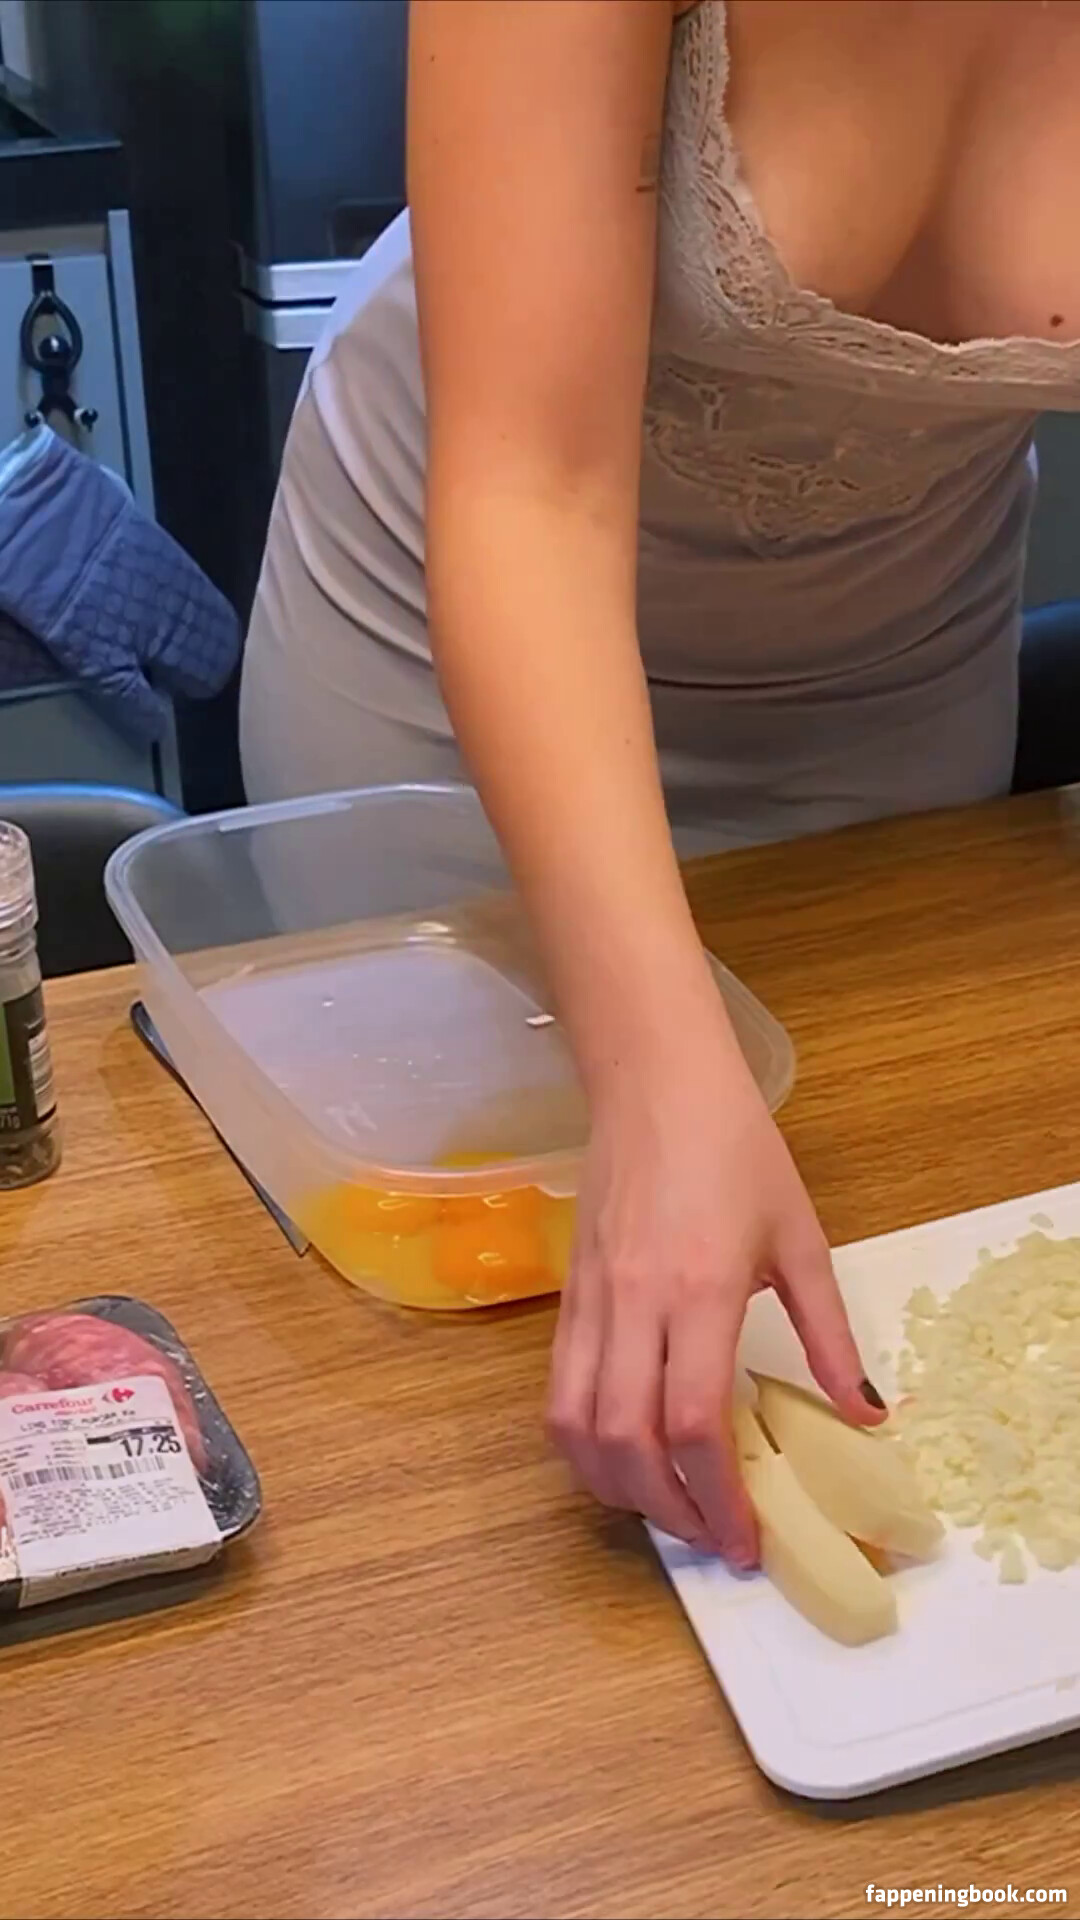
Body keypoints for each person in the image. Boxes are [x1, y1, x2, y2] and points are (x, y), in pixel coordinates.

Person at [240, 0, 1080, 1567]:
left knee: (889, 1282)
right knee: (445, 1401)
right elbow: (531, 490)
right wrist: (657, 1075)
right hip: (459, 682)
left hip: (896, 705)